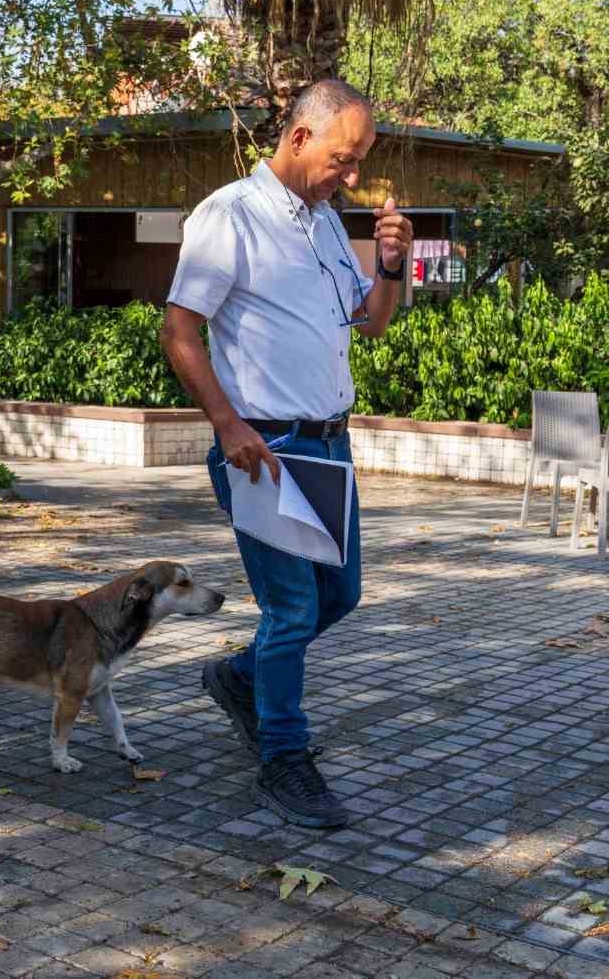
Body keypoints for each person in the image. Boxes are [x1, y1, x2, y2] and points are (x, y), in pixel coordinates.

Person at [159, 79, 412, 828]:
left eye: (361, 161)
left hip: (329, 447)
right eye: (345, 158)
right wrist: (228, 425)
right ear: (300, 138)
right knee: (293, 608)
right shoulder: (229, 215)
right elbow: (180, 331)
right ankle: (284, 762)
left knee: (340, 596)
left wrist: (392, 268)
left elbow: (372, 324)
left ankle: (240, 678)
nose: (354, 175)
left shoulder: (328, 223)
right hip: (262, 450)